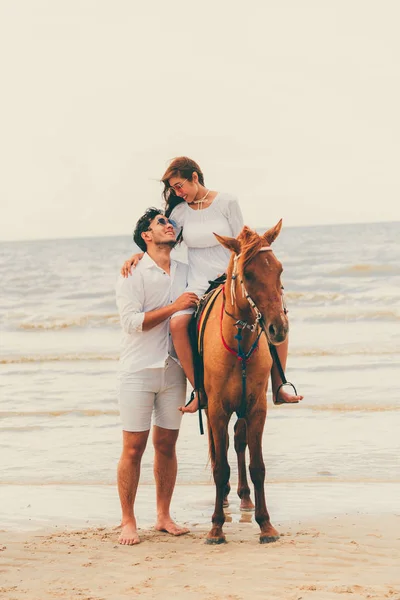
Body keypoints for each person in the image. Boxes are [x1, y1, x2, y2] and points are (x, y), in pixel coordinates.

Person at [121, 157, 303, 412]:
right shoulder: (179, 212)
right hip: (198, 282)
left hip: (231, 279)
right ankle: (199, 391)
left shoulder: (227, 202)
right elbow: (163, 242)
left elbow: (244, 242)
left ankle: (279, 384)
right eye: (173, 189)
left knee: (278, 312)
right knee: (178, 323)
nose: (177, 192)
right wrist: (140, 256)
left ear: (195, 177)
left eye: (179, 185)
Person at [116, 207, 198, 545]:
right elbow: (131, 322)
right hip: (138, 370)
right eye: (161, 222)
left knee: (166, 445)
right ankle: (128, 520)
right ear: (147, 236)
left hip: (174, 371)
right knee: (133, 448)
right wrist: (175, 306)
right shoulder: (132, 273)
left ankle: (163, 516)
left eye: (170, 221)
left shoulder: (185, 269)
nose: (169, 224)